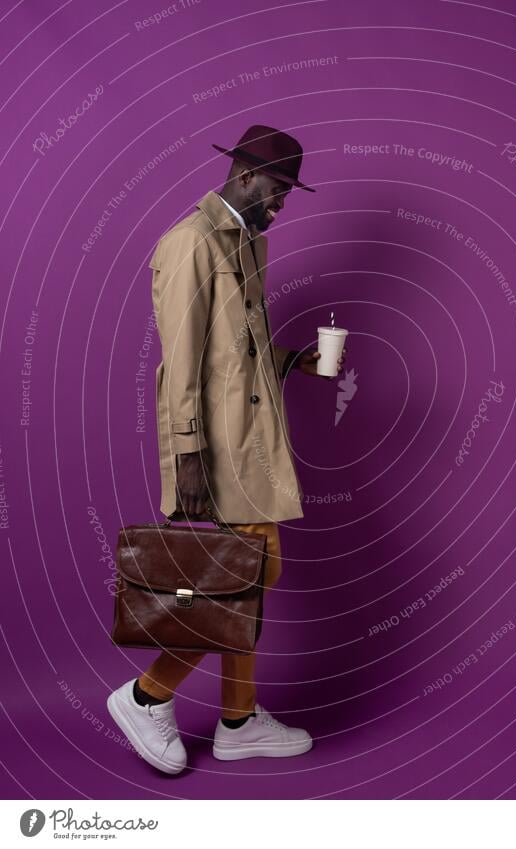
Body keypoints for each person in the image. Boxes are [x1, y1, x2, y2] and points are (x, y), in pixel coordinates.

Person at [107, 125, 345, 774]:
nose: (282, 204)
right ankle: (146, 695)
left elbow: (238, 348)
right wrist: (186, 453)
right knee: (237, 581)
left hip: (253, 441)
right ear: (243, 176)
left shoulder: (249, 243)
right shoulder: (189, 244)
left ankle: (238, 718)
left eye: (289, 193)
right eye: (277, 190)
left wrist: (297, 361)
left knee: (249, 578)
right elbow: (181, 361)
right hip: (215, 448)